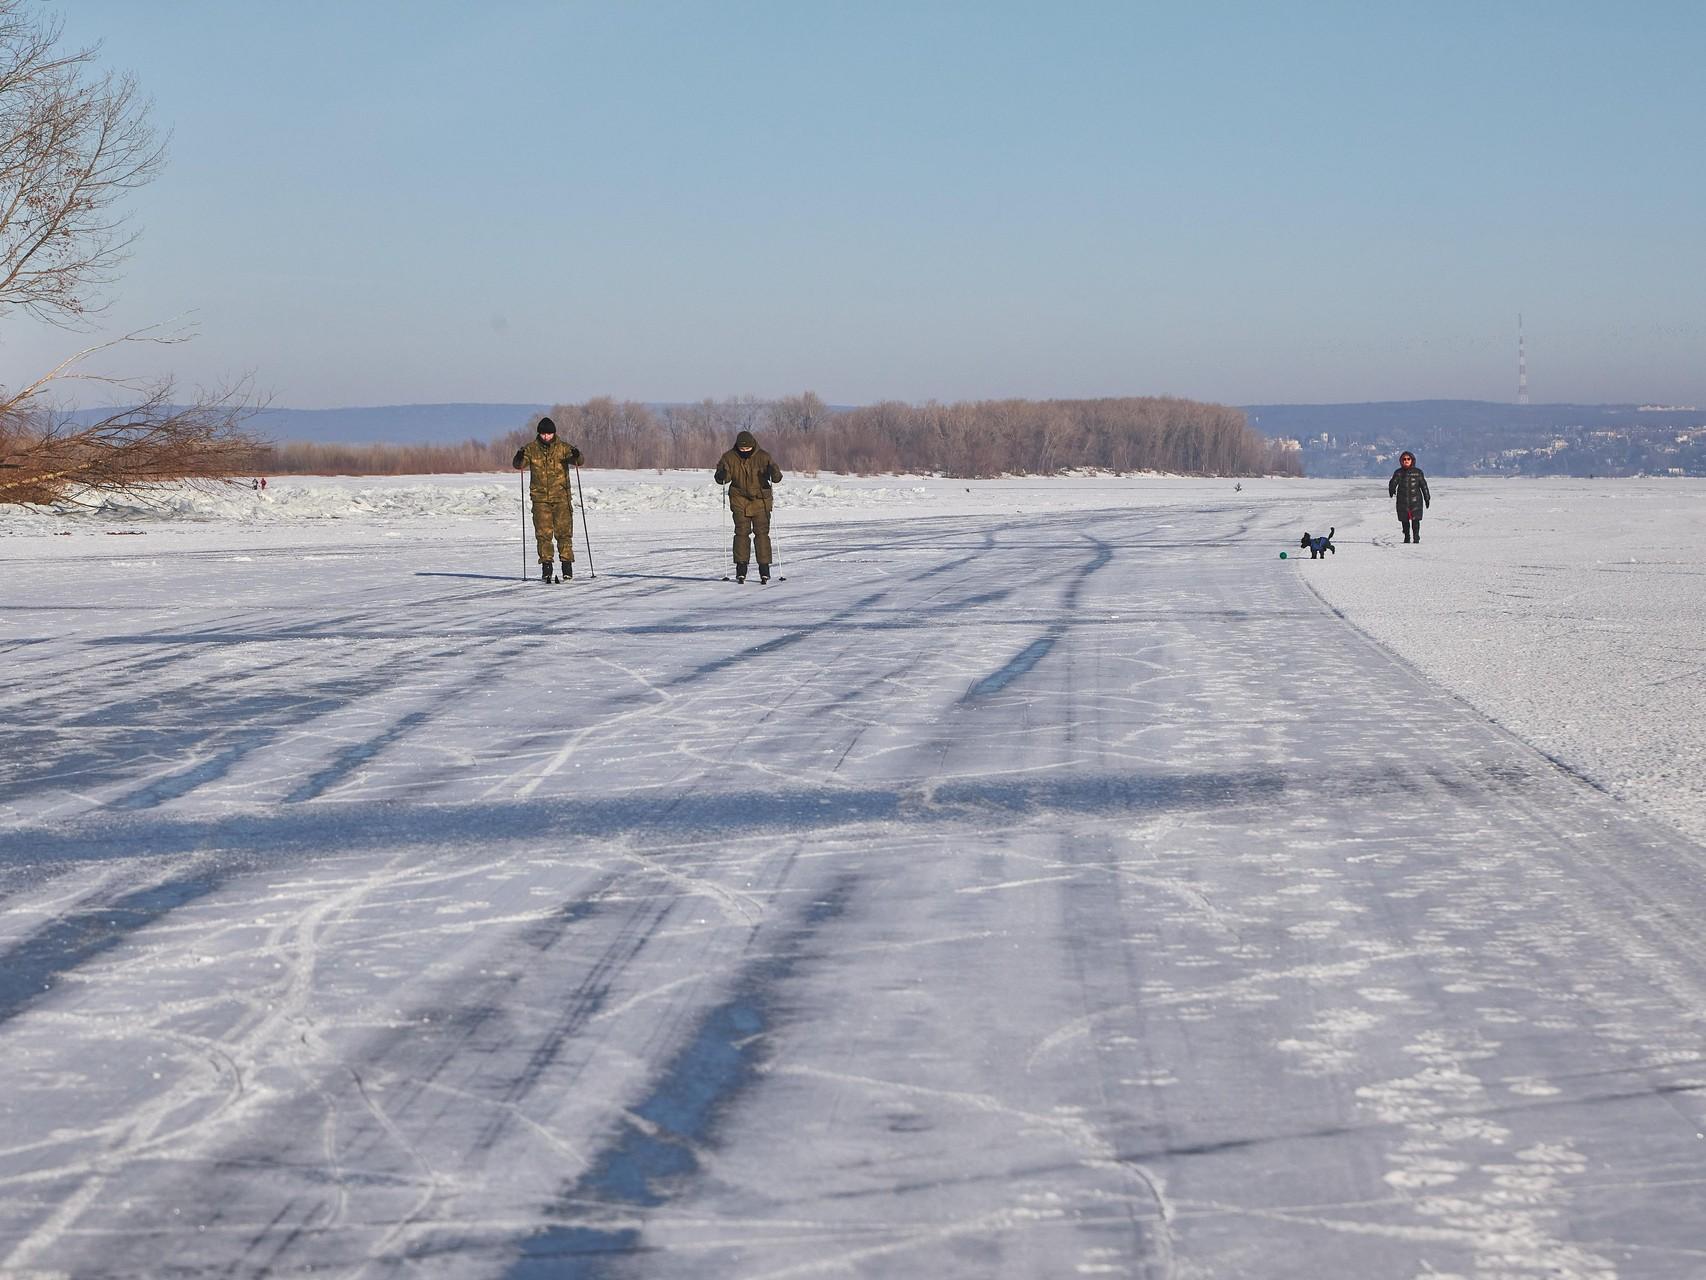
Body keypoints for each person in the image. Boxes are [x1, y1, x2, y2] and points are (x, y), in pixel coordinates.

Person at [512, 417, 584, 581]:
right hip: (540, 499)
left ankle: (567, 566)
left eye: (549, 434)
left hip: (562, 497)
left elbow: (579, 461)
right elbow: (519, 465)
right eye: (544, 434)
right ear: (539, 434)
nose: (546, 437)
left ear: (554, 433)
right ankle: (546, 567)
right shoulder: (531, 449)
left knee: (564, 533)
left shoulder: (564, 448)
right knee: (543, 535)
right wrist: (518, 456)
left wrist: (577, 455)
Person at [713, 429, 783, 583]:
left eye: (747, 449)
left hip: (761, 501)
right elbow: (722, 478)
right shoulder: (729, 457)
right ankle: (741, 569)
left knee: (762, 534)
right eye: (742, 449)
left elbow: (777, 478)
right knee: (741, 534)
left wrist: (773, 472)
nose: (744, 451)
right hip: (739, 500)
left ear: (753, 445)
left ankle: (764, 569)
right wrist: (721, 475)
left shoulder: (764, 456)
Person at [1387, 450, 1431, 544]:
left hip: (1416, 501)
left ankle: (1416, 536)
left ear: (1412, 460)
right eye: (1404, 459)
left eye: (1408, 459)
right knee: (1404, 520)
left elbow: (1424, 486)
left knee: (1416, 520)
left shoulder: (1418, 472)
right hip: (1402, 501)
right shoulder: (1398, 472)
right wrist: (1391, 489)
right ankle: (1407, 536)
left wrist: (1427, 498)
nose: (1406, 461)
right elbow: (1393, 482)